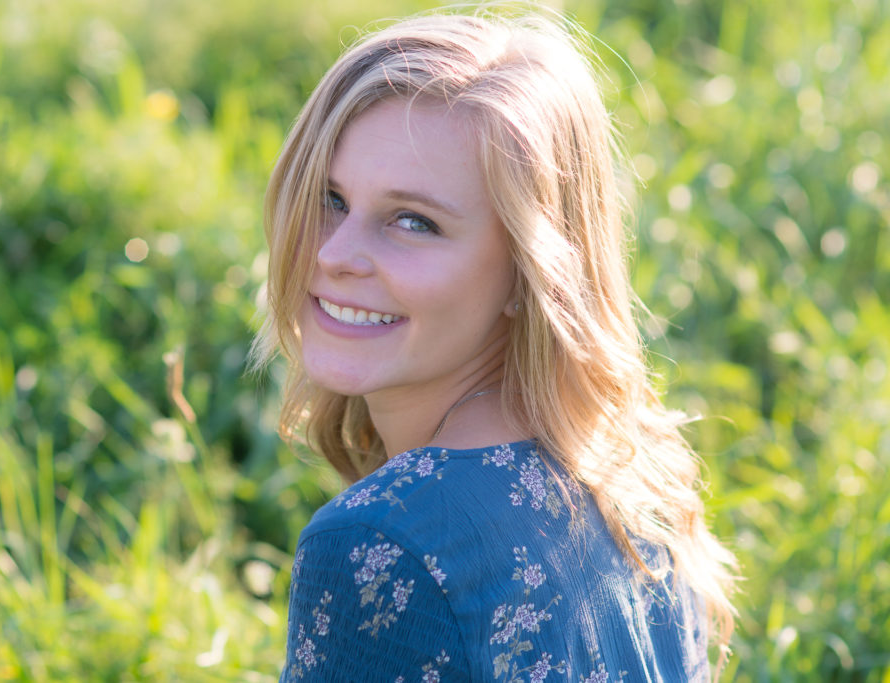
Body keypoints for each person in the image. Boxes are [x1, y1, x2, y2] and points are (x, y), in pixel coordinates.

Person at [252, 8, 737, 681]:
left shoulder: (382, 542)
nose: (335, 254)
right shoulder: (629, 479)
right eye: (328, 197)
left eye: (413, 221)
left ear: (528, 274)